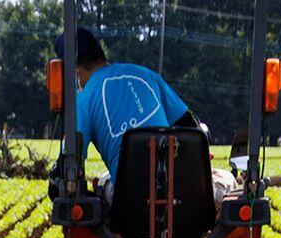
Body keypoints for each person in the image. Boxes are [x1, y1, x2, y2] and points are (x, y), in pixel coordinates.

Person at [53, 27, 236, 205]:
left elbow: (65, 166)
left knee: (104, 182)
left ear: (74, 71)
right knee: (226, 179)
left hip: (130, 205)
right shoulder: (146, 75)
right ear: (100, 53)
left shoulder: (82, 101)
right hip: (184, 198)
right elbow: (190, 126)